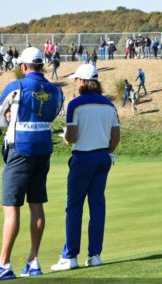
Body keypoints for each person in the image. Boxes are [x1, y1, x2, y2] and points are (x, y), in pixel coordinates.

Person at [0, 47, 63, 281]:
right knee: (36, 204)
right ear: (41, 65)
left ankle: (4, 263)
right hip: (43, 148)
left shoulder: (16, 86)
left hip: (20, 148)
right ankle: (33, 261)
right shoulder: (56, 90)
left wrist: (10, 118)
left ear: (23, 67)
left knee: (11, 206)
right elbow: (52, 114)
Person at [51, 63, 120, 271]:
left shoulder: (75, 104)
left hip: (82, 158)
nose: (75, 83)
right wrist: (105, 151)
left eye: (76, 80)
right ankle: (95, 255)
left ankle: (70, 256)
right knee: (97, 205)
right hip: (103, 157)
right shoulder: (109, 105)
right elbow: (115, 137)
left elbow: (71, 137)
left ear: (82, 81)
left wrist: (65, 138)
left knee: (74, 207)